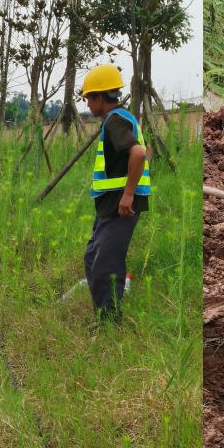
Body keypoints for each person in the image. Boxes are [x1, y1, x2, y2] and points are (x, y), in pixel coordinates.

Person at [80, 64, 150, 323]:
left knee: (104, 266)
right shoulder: (124, 118)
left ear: (100, 97)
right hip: (110, 204)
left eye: (89, 98)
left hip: (120, 205)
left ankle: (109, 323)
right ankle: (105, 313)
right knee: (92, 258)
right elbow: (147, 150)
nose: (87, 104)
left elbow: (139, 153)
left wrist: (129, 193)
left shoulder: (114, 121)